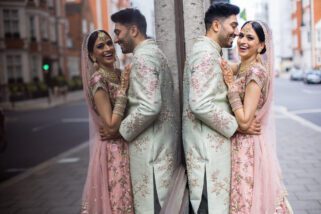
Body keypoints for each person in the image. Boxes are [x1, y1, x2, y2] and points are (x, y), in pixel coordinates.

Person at [100, 8, 185, 214]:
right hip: (161, 149)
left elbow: (149, 106)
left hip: (152, 157)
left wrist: (119, 130)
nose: (116, 39)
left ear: (134, 30)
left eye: (118, 32)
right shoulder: (154, 53)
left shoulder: (143, 58)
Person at [182, 3, 260, 213]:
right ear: (216, 25)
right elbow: (200, 103)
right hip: (207, 154)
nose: (237, 32)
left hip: (211, 149)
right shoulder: (205, 55)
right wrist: (239, 126)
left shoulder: (211, 53)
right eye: (234, 25)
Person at [220, 21, 293, 214]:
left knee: (246, 201)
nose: (242, 41)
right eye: (241, 36)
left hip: (248, 149)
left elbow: (244, 120)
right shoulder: (244, 66)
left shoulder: (255, 73)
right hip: (241, 143)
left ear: (261, 46)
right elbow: (226, 67)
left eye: (250, 37)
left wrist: (231, 88)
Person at [80, 30, 133, 214]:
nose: (108, 48)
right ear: (91, 55)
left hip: (129, 143)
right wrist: (123, 91)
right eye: (100, 46)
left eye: (109, 43)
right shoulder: (98, 80)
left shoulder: (120, 74)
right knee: (120, 202)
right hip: (114, 151)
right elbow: (110, 124)